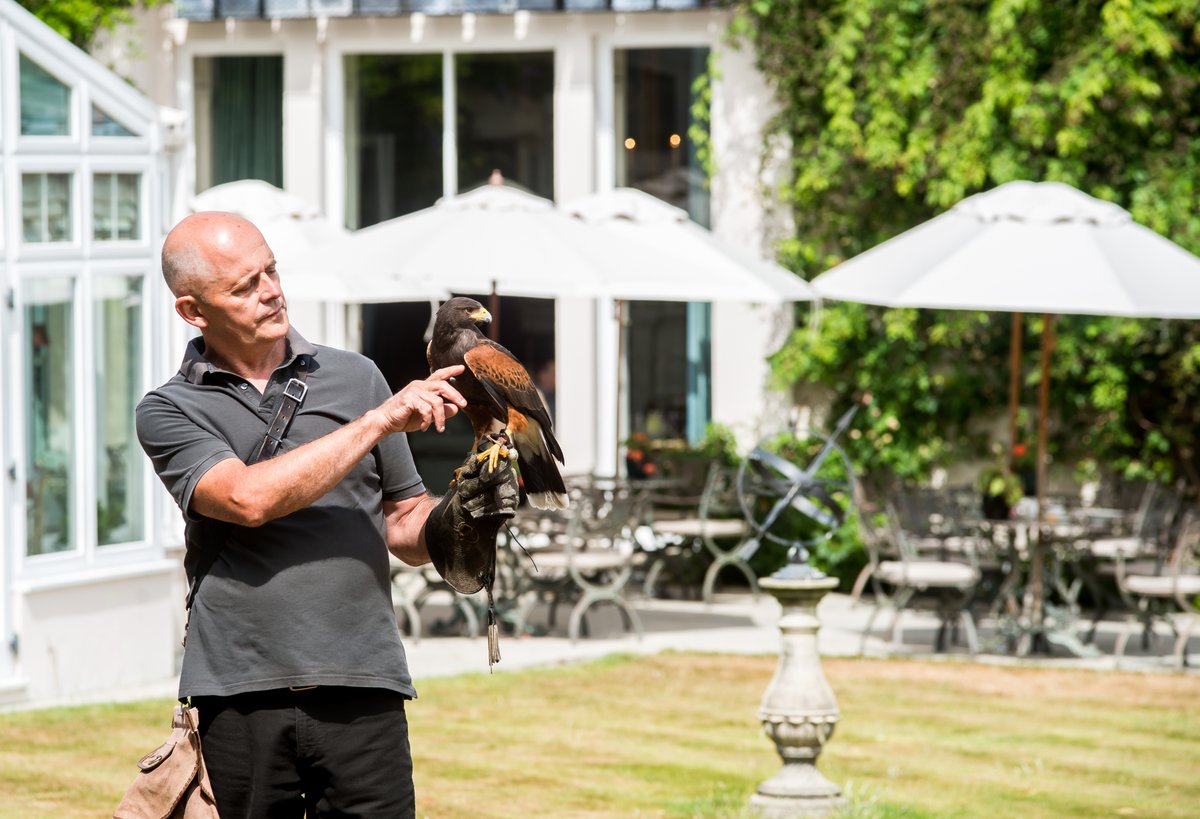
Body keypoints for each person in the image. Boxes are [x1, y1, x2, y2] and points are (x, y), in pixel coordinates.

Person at [136, 212, 516, 818]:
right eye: (243, 286)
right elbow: (245, 499)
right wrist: (378, 421)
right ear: (192, 311)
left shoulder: (357, 376)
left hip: (363, 685)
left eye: (271, 270)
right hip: (238, 693)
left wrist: (460, 518)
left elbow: (404, 523)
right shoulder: (170, 408)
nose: (271, 291)